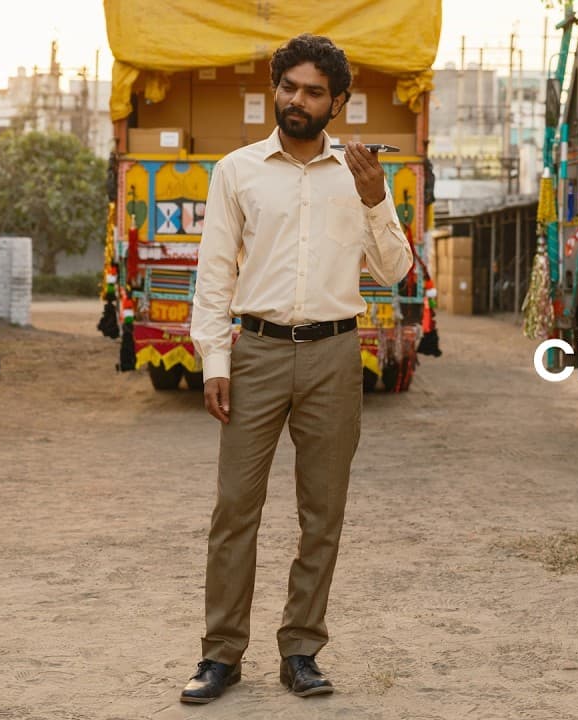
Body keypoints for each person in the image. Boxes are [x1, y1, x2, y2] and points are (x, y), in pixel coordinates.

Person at [182, 33, 413, 704]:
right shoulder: (238, 171)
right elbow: (214, 273)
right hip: (254, 352)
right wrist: (214, 360)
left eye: (314, 92)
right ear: (276, 89)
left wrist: (376, 199)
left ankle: (302, 649)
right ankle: (221, 655)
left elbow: (394, 271)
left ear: (337, 102)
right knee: (235, 509)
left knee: (323, 512)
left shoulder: (361, 174)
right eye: (288, 87)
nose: (297, 101)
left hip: (335, 353)